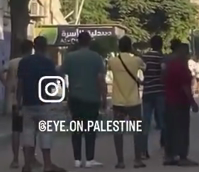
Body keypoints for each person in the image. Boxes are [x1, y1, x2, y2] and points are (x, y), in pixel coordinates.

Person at [17, 36, 66, 172]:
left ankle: (27, 165)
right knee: (45, 133)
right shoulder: (48, 62)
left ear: (34, 46)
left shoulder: (24, 62)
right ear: (45, 46)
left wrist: (18, 101)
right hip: (44, 103)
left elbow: (20, 83)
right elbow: (53, 83)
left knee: (28, 133)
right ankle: (47, 165)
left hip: (27, 102)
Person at [60, 32, 106, 168]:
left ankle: (77, 159)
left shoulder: (70, 57)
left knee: (76, 128)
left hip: (75, 97)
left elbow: (62, 74)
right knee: (91, 129)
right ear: (89, 42)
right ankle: (90, 159)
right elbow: (100, 80)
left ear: (78, 41)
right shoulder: (96, 57)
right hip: (92, 98)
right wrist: (104, 98)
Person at [1, 40, 42, 169]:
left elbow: (2, 71)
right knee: (31, 131)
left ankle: (15, 159)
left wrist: (7, 84)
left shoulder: (13, 62)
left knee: (16, 130)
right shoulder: (33, 62)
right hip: (30, 99)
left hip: (14, 100)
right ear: (32, 49)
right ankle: (31, 159)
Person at [107, 36, 146, 168]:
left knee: (118, 132)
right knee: (137, 131)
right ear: (130, 46)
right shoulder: (136, 60)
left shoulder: (112, 61)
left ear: (119, 47)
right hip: (133, 101)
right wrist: (134, 52)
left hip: (118, 101)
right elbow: (144, 65)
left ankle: (120, 161)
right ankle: (137, 160)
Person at [163, 43, 199, 166]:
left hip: (169, 101)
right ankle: (183, 157)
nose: (188, 55)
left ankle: (169, 155)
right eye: (186, 52)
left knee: (171, 129)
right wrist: (192, 102)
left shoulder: (169, 65)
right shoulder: (181, 67)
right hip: (180, 102)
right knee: (182, 129)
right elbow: (185, 87)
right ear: (181, 52)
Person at [140, 35, 165, 159]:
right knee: (163, 120)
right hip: (160, 91)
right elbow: (164, 72)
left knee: (146, 121)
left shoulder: (145, 57)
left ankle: (143, 150)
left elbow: (142, 70)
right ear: (161, 44)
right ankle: (165, 146)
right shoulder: (161, 57)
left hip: (147, 91)